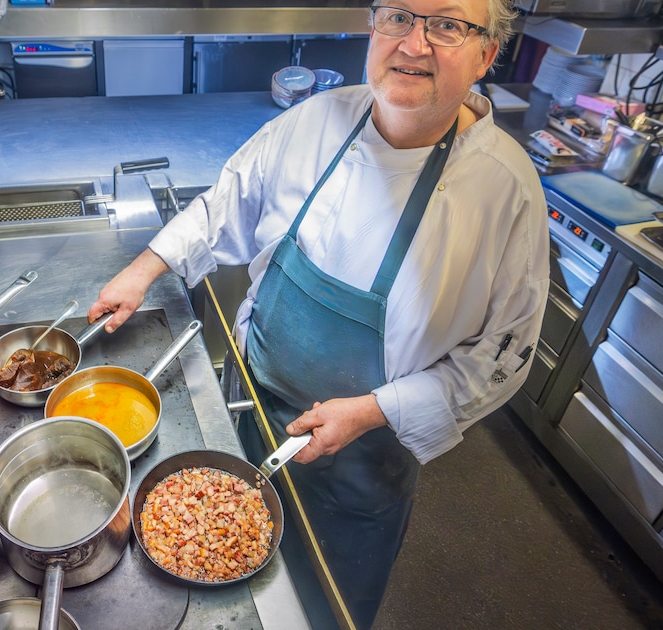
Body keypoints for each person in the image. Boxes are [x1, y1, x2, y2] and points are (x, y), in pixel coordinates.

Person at [89, 0, 548, 627]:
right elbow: (228, 203)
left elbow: (504, 354)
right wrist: (144, 269)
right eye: (397, 17)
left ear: (487, 54)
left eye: (446, 24)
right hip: (250, 398)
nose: (414, 44)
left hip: (363, 458)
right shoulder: (315, 122)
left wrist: (369, 412)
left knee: (323, 602)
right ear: (373, 28)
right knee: (221, 571)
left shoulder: (505, 189)